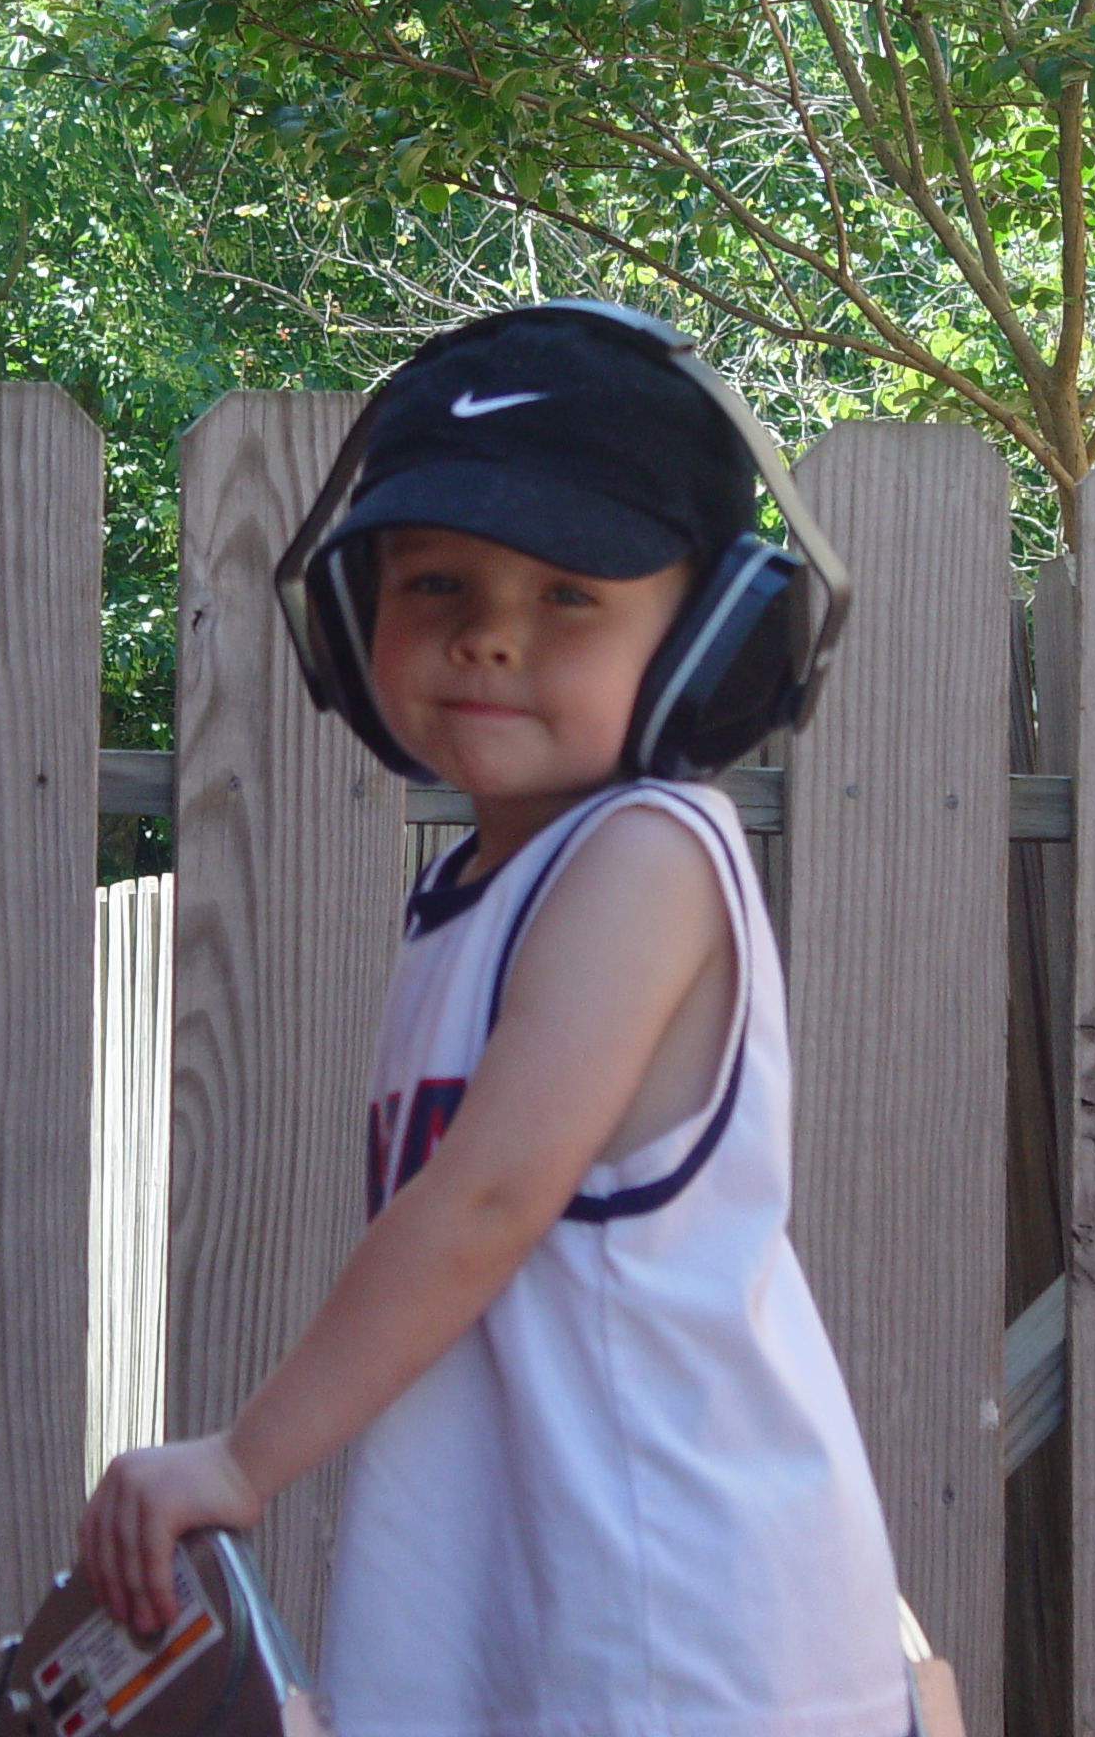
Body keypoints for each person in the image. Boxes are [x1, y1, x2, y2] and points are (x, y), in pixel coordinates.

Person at [80, 305, 914, 1735]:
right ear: (351, 618)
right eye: (436, 584)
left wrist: (244, 1459)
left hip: (681, 1633)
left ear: (717, 633)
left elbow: (487, 1203)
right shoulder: (476, 893)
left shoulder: (648, 856)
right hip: (549, 1616)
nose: (488, 640)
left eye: (570, 595)